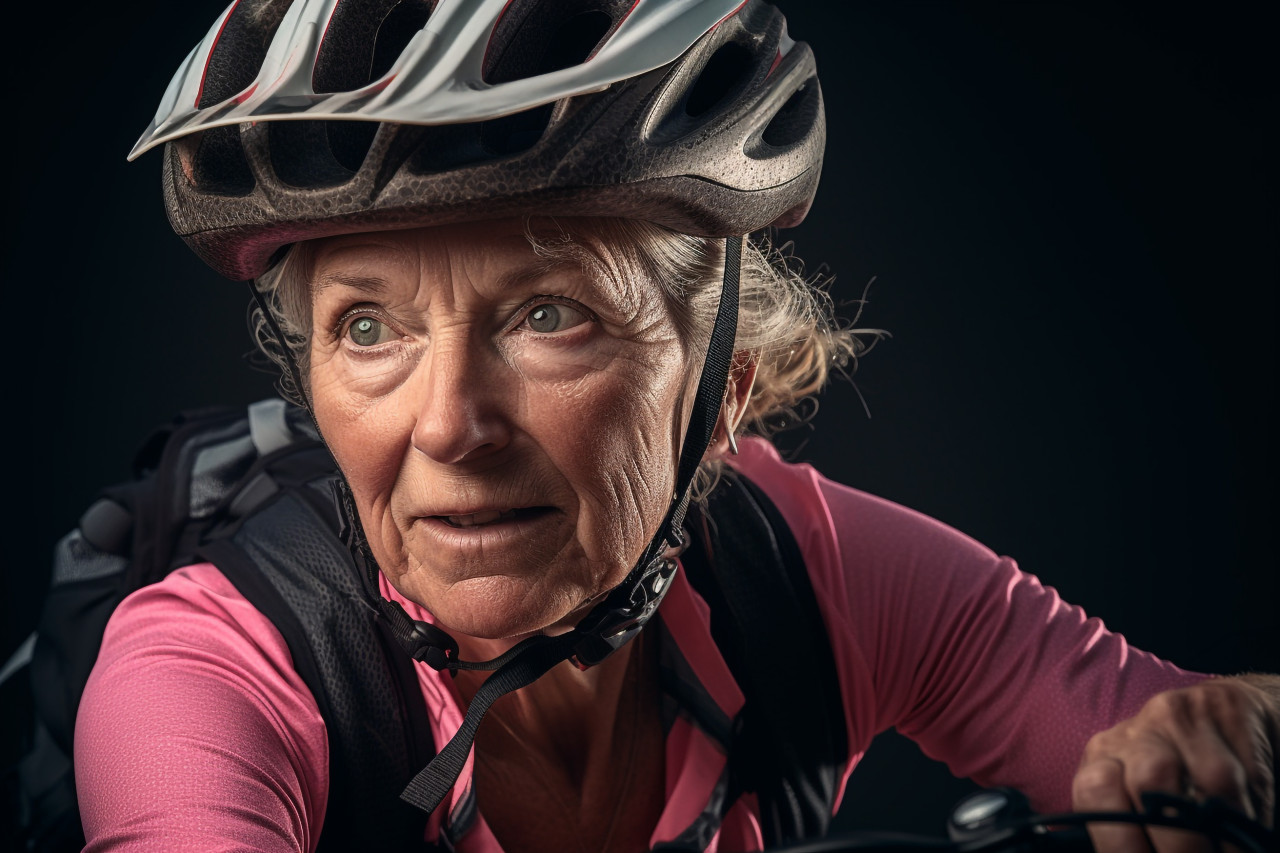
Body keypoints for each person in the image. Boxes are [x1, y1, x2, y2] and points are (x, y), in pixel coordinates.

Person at [69, 1, 1277, 852]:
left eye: (548, 313)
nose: (447, 426)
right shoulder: (202, 677)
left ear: (730, 383)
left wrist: (1238, 727)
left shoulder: (803, 580)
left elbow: (1176, 737)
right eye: (368, 330)